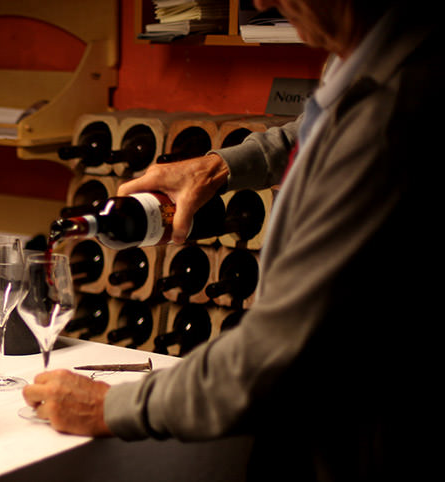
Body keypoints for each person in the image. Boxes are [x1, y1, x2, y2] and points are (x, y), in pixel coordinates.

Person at [23, 1, 442, 480]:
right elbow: (314, 132)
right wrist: (218, 167)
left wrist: (111, 407)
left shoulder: (396, 114)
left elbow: (269, 356)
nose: (260, 3)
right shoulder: (369, 57)